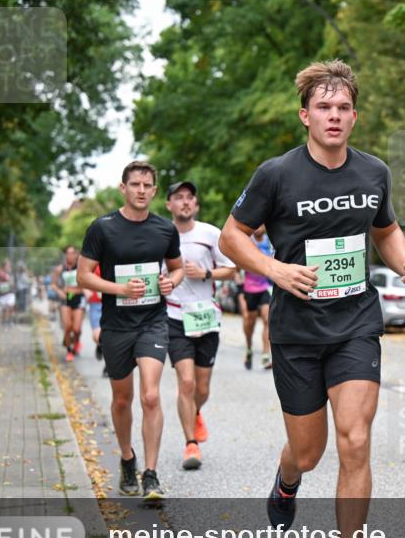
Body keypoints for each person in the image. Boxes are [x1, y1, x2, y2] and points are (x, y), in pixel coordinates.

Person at [219, 59, 405, 538]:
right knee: (309, 453)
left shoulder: (373, 172)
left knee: (355, 440)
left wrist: (404, 262)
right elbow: (231, 236)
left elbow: (385, 229)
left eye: (342, 108)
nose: (333, 117)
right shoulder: (277, 175)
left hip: (356, 322)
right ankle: (287, 479)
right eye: (323, 108)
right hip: (297, 331)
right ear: (305, 115)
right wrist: (275, 270)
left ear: (354, 117)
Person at [77, 161, 184, 501]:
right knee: (122, 399)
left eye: (147, 185)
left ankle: (150, 474)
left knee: (150, 395)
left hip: (153, 321)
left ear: (154, 190)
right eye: (135, 184)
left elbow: (177, 269)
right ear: (123, 188)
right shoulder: (102, 228)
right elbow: (83, 276)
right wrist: (118, 289)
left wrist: (170, 283)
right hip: (116, 325)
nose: (141, 190)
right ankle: (127, 458)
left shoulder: (165, 229)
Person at [163, 180, 236, 470]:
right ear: (169, 204)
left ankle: (194, 413)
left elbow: (231, 271)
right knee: (187, 382)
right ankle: (190, 444)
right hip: (174, 316)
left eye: (189, 198)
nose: (185, 202)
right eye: (178, 198)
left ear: (196, 205)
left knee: (202, 388)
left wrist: (205, 273)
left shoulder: (210, 234)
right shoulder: (160, 235)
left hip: (206, 316)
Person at [239, 226, 274, 369]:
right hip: (249, 288)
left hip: (265, 286)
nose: (258, 228)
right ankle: (249, 347)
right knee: (250, 322)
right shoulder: (247, 241)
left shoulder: (270, 242)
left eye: (261, 224)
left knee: (267, 318)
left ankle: (266, 355)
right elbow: (236, 265)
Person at [52, 246, 85, 362]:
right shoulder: (60, 269)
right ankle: (69, 351)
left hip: (78, 298)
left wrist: (82, 289)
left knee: (76, 329)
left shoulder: (81, 268)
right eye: (68, 253)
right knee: (67, 327)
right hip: (65, 299)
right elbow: (53, 284)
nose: (70, 255)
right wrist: (60, 292)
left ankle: (76, 341)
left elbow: (87, 282)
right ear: (65, 255)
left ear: (76, 255)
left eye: (73, 253)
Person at [87, 264, 107, 377]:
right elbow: (81, 276)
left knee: (111, 336)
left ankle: (108, 366)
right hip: (96, 303)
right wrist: (86, 292)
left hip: (112, 303)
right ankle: (100, 345)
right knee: (97, 336)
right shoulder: (92, 260)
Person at [0, 259, 15, 325]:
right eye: (8, 265)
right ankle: (4, 320)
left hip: (10, 293)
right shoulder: (1, 273)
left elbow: (11, 282)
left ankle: (9, 321)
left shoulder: (9, 273)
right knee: (4, 309)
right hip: (2, 294)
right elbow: (5, 279)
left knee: (10, 306)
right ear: (4, 266)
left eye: (9, 265)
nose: (9, 267)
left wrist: (11, 283)